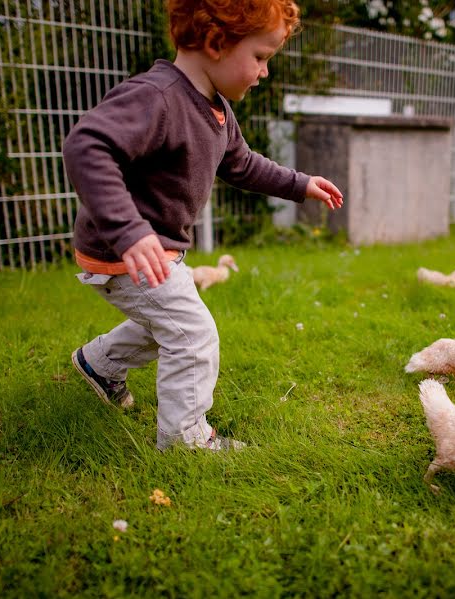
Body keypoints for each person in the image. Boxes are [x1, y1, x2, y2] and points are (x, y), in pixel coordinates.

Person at [63, 0, 343, 451]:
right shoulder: (158, 97)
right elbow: (87, 145)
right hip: (125, 250)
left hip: (151, 252)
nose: (264, 72)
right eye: (260, 57)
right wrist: (129, 230)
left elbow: (244, 165)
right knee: (192, 335)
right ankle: (184, 439)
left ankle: (98, 363)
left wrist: (300, 183)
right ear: (216, 43)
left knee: (169, 322)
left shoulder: (216, 110)